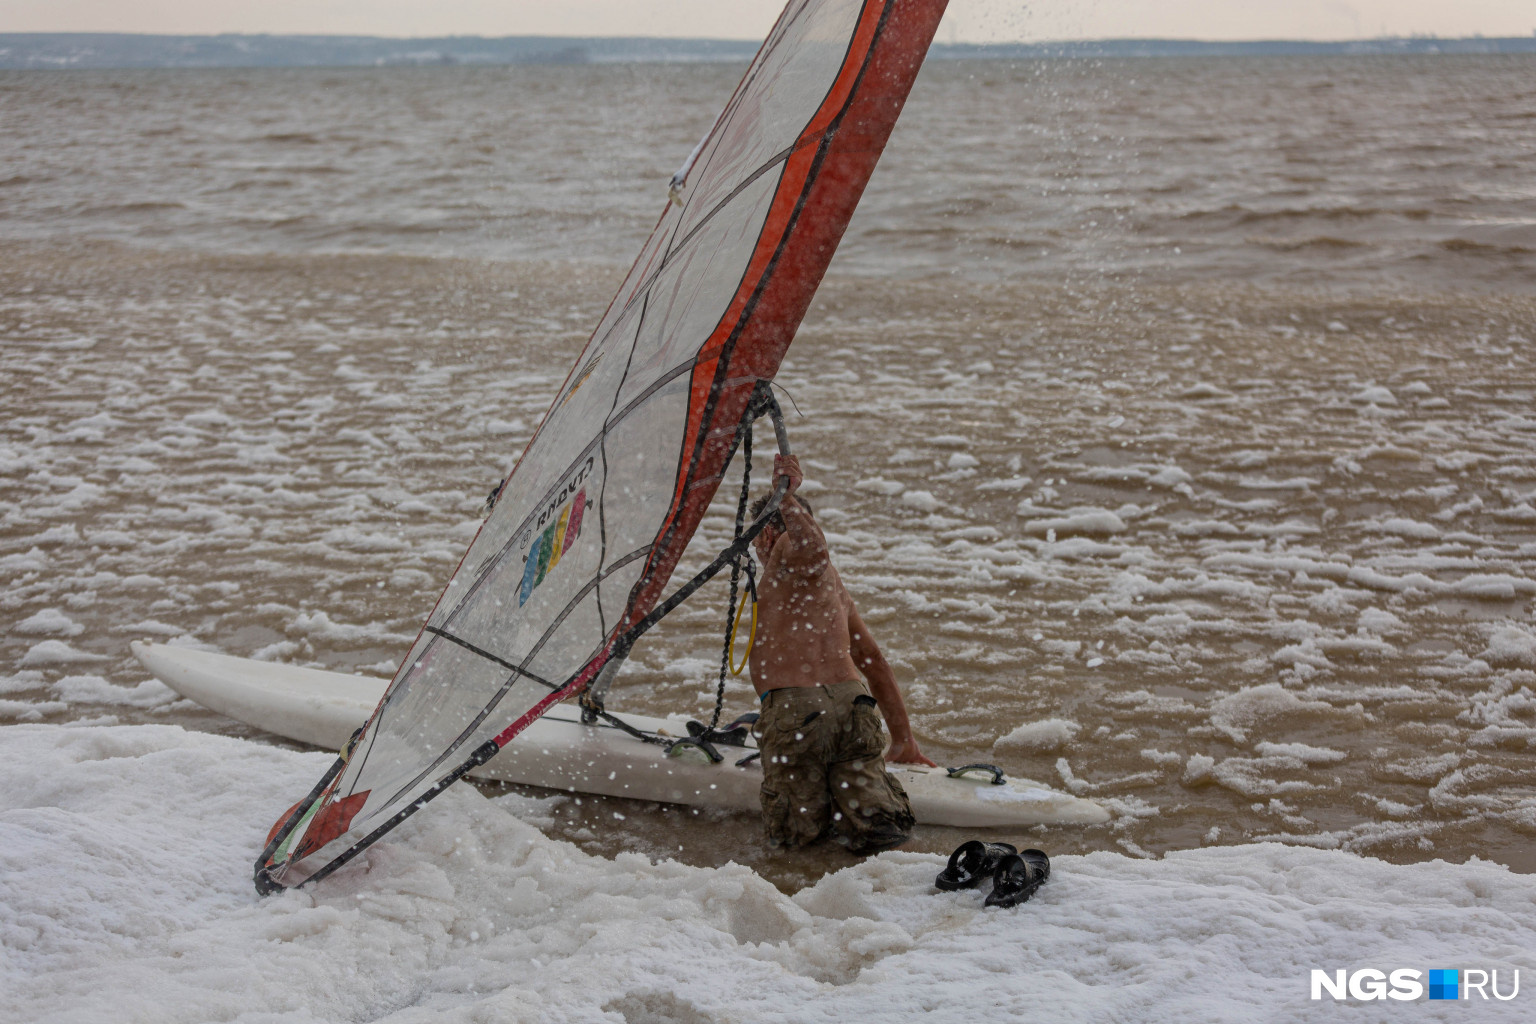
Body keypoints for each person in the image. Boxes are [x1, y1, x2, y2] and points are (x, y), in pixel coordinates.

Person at [748, 454, 936, 855]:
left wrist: (786, 499)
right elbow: (874, 662)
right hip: (852, 710)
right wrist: (903, 740)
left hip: (797, 715)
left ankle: (805, 895)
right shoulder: (834, 588)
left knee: (796, 839)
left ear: (764, 536)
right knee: (880, 831)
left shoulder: (788, 554)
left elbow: (810, 548)